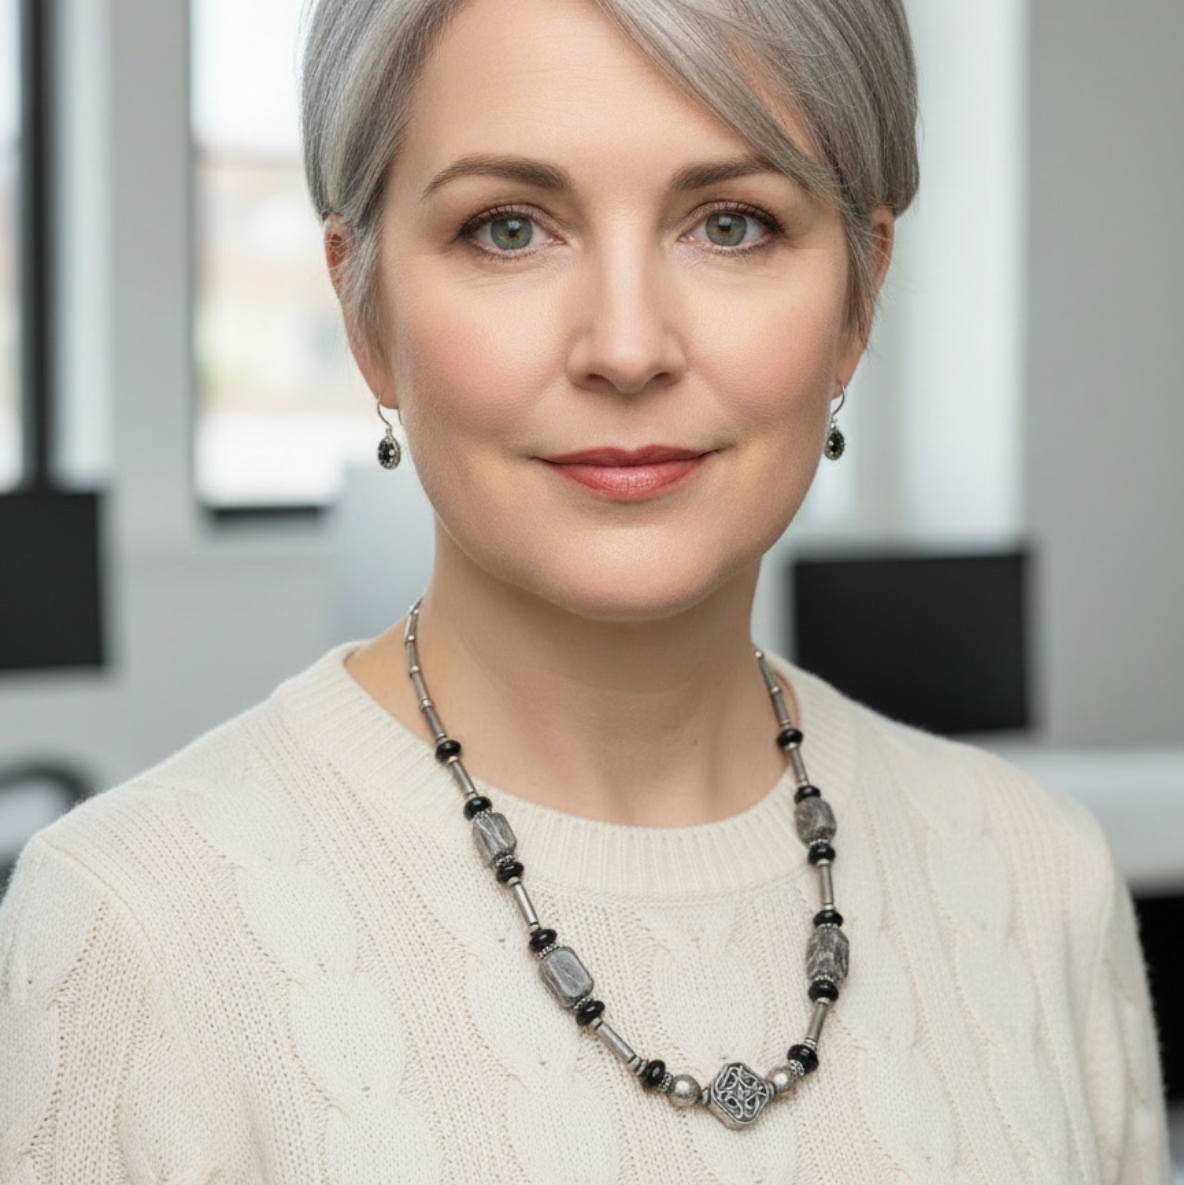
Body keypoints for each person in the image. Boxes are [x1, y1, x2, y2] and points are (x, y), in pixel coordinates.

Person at [0, 0, 1171, 1179]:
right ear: (365, 313)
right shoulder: (131, 926)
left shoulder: (1041, 877)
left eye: (732, 223)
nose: (624, 345)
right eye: (508, 228)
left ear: (857, 299)